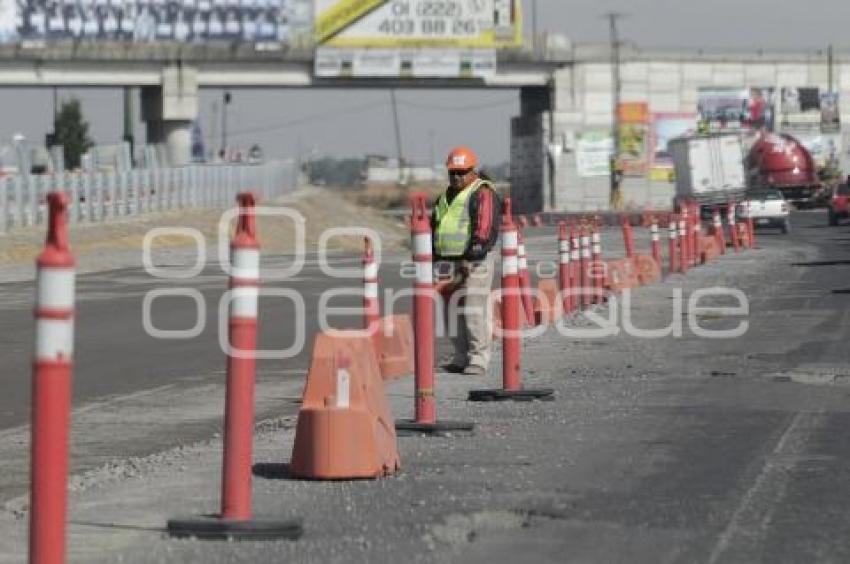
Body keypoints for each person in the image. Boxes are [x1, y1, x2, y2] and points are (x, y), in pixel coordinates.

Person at [431, 146, 500, 375]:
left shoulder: (482, 192)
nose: (457, 177)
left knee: (472, 308)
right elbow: (436, 228)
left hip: (474, 261)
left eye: (461, 172)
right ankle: (460, 356)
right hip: (447, 262)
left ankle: (478, 357)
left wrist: (472, 256)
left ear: (472, 171)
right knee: (452, 312)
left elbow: (485, 227)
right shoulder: (444, 197)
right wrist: (433, 257)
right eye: (453, 172)